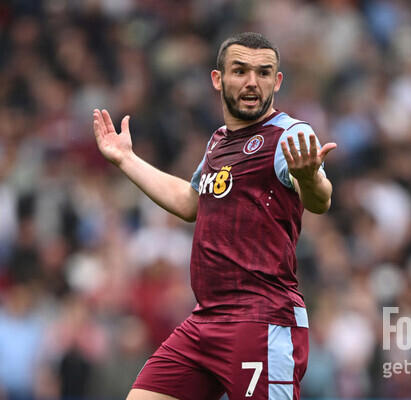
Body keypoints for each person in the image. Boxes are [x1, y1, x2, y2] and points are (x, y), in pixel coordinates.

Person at [92, 32, 336, 400]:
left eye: (263, 72)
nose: (252, 81)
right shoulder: (219, 141)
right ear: (218, 79)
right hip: (206, 320)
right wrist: (126, 159)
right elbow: (191, 202)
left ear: (277, 81)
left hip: (261, 321)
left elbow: (319, 199)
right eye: (240, 71)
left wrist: (309, 178)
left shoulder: (288, 135)